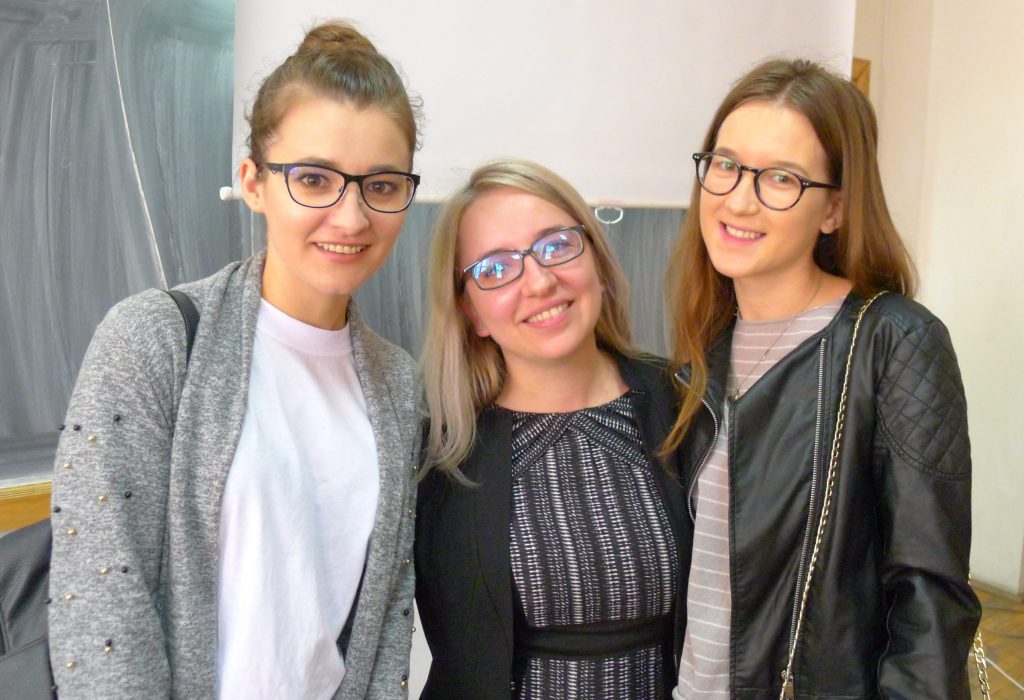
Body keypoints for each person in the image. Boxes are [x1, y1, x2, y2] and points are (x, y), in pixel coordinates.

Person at [48, 21, 421, 698]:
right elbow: (102, 606)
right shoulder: (155, 340)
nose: (351, 217)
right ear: (253, 182)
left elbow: (387, 619)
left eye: (383, 185)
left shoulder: (397, 385)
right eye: (314, 179)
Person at [665, 59, 981, 698]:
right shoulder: (700, 359)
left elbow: (928, 598)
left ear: (834, 208)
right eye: (726, 165)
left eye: (781, 178)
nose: (738, 199)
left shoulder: (893, 341)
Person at [415, 160, 691, 699]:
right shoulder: (438, 453)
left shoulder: (688, 407)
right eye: (496, 268)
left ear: (597, 261)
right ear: (471, 312)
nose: (539, 282)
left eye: (556, 245)